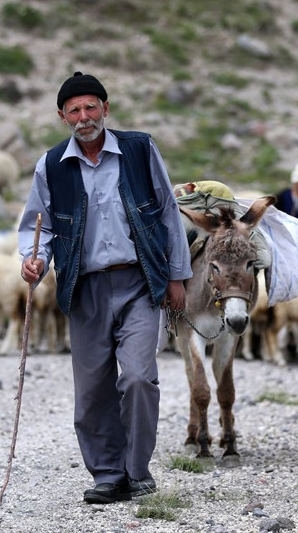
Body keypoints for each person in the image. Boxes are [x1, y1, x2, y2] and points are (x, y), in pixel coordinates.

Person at [18, 71, 192, 504]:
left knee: (137, 377)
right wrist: (33, 261)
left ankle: (137, 471)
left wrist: (176, 276)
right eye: (74, 110)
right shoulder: (51, 165)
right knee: (93, 387)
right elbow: (36, 228)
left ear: (105, 109)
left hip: (139, 282)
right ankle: (108, 475)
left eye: (91, 107)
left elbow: (168, 214)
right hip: (85, 287)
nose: (84, 116)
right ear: (62, 116)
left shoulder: (139, 149)